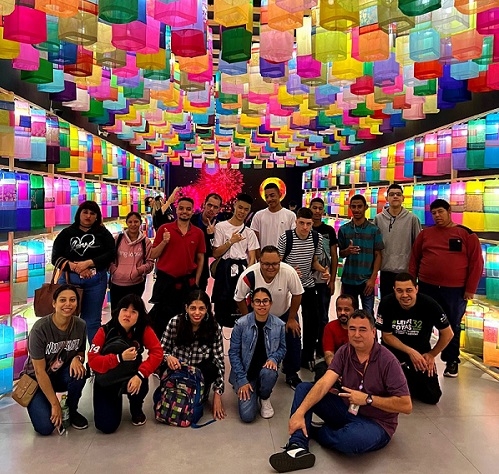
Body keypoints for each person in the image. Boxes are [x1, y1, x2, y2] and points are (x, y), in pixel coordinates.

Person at [269, 310, 412, 473]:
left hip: (376, 423)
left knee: (351, 441)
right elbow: (324, 382)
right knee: (304, 389)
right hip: (346, 408)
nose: (356, 334)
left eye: (362, 329)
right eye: (352, 329)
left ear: (373, 332)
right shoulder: (345, 351)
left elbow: (406, 405)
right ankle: (297, 446)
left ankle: (316, 431)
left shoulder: (388, 361)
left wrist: (368, 399)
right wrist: (299, 413)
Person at [409, 198, 483, 378]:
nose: (437, 216)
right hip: (427, 287)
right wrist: (411, 283)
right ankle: (421, 357)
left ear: (449, 212)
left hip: (455, 290)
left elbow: (476, 263)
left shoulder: (466, 234)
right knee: (423, 322)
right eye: (434, 213)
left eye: (440, 212)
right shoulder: (425, 234)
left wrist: (470, 289)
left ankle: (451, 361)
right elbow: (414, 258)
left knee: (452, 325)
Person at [88, 294, 163, 432]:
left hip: (131, 376)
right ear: (118, 311)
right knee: (106, 427)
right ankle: (113, 401)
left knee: (141, 383)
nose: (128, 314)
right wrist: (119, 358)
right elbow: (92, 360)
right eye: (124, 309)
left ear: (139, 316)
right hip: (107, 378)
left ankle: (136, 408)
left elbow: (157, 352)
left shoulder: (144, 330)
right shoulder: (104, 330)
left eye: (133, 311)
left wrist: (141, 374)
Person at [376, 273, 453, 404]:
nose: (405, 295)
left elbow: (448, 333)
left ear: (416, 289)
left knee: (432, 396)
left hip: (421, 355)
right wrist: (410, 352)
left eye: (409, 290)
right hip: (393, 353)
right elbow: (387, 336)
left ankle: (409, 382)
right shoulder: (386, 303)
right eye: (399, 291)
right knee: (385, 392)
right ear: (394, 290)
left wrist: (431, 354)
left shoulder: (429, 304)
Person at [234, 245, 304, 389]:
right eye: (266, 264)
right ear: (260, 261)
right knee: (251, 340)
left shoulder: (289, 272)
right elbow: (239, 298)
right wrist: (247, 319)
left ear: (280, 261)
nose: (270, 267)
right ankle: (249, 371)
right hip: (258, 315)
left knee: (294, 335)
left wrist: (291, 318)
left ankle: (291, 373)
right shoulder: (249, 275)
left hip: (283, 313)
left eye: (274, 264)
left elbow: (297, 294)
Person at [22, 284, 88, 435]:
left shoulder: (80, 325)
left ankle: (72, 410)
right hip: (37, 379)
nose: (68, 304)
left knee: (80, 373)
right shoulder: (40, 329)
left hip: (61, 374)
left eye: (72, 300)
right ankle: (46, 401)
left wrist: (77, 358)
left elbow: (81, 351)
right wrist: (55, 404)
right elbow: (39, 372)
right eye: (62, 300)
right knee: (45, 428)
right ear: (54, 303)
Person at [52, 200, 115, 343]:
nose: (88, 216)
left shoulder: (103, 233)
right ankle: (68, 354)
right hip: (69, 281)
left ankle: (94, 354)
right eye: (85, 212)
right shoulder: (67, 233)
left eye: (92, 213)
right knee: (66, 319)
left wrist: (89, 263)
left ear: (97, 216)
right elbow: (55, 258)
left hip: (96, 282)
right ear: (79, 213)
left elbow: (111, 254)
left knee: (92, 321)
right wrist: (75, 267)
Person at [160, 290, 226, 420]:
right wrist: (168, 357)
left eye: (201, 308)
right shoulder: (174, 323)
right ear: (186, 308)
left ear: (207, 309)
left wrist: (218, 394)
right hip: (177, 371)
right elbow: (160, 350)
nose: (197, 313)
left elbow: (219, 361)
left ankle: (201, 392)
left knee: (211, 367)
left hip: (200, 374)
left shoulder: (214, 327)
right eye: (193, 308)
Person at [278, 207, 330, 375]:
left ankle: (306, 356)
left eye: (308, 224)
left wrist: (323, 270)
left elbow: (314, 262)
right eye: (302, 223)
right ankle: (287, 357)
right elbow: (278, 263)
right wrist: (290, 271)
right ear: (296, 221)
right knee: (289, 322)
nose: (305, 227)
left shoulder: (317, 238)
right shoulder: (286, 237)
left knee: (312, 322)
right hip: (288, 287)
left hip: (307, 284)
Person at [149, 196, 206, 339]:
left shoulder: (198, 233)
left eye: (188, 209)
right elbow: (153, 254)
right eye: (181, 208)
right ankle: (161, 348)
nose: (184, 212)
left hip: (186, 283)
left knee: (185, 319)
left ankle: (181, 346)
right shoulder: (164, 229)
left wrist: (197, 281)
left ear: (192, 211)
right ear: (176, 210)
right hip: (165, 282)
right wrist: (164, 242)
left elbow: (200, 258)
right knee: (161, 319)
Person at [228, 288, 286, 422]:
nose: (262, 305)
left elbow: (283, 349)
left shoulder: (279, 325)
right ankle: (247, 387)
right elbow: (233, 353)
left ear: (270, 303)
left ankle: (264, 396)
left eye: (265, 301)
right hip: (246, 373)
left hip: (265, 371)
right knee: (247, 416)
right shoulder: (240, 324)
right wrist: (242, 379)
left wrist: (274, 358)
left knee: (270, 372)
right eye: (258, 301)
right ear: (252, 304)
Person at [212, 193, 259, 327]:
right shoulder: (221, 227)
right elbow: (215, 253)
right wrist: (231, 241)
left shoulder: (249, 232)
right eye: (240, 207)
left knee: (241, 307)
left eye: (246, 209)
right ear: (235, 205)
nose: (242, 212)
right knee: (222, 307)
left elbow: (252, 257)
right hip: (224, 271)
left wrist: (247, 275)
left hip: (242, 271)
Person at [338, 194, 384, 315]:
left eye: (359, 206)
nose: (356, 209)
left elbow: (378, 255)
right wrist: (347, 251)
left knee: (368, 315)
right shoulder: (344, 229)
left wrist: (372, 279)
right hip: (348, 280)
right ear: (350, 208)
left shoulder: (374, 230)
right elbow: (341, 254)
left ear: (366, 207)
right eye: (354, 206)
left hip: (366, 281)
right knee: (349, 314)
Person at [374, 184, 421, 299]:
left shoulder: (412, 219)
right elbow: (374, 246)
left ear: (403, 198)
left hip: (405, 272)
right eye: (392, 194)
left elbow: (418, 247)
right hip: (385, 270)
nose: (395, 196)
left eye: (398, 194)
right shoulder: (378, 219)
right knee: (387, 301)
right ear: (387, 198)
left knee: (405, 302)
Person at [309, 197, 339, 356]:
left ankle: (322, 348)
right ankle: (309, 348)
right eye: (314, 208)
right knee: (309, 316)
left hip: (324, 280)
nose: (317, 211)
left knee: (323, 316)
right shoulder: (305, 228)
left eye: (320, 208)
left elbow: (334, 256)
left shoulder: (329, 231)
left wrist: (332, 280)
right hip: (307, 280)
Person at [108, 211, 154, 311]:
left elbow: (150, 262)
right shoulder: (117, 239)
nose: (133, 224)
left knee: (133, 311)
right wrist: (115, 270)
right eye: (130, 222)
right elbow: (108, 258)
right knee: (116, 312)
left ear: (140, 222)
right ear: (126, 223)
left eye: (136, 222)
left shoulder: (146, 242)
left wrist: (138, 271)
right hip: (116, 284)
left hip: (136, 284)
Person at [313, 294, 357, 381]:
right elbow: (329, 354)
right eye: (339, 309)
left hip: (356, 366)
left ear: (355, 311)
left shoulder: (361, 328)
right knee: (320, 370)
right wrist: (336, 371)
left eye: (346, 310)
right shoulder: (330, 327)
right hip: (336, 365)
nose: (342, 313)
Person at [251, 182, 296, 252]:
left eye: (272, 196)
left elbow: (294, 239)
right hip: (264, 256)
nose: (269, 199)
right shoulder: (258, 215)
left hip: (284, 257)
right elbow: (254, 240)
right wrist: (259, 256)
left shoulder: (290, 215)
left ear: (280, 195)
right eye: (266, 197)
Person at [191, 193, 223, 291]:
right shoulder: (191, 220)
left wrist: (210, 236)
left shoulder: (219, 227)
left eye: (215, 207)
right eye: (209, 205)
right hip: (185, 266)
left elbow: (212, 253)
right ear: (204, 204)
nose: (211, 209)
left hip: (202, 271)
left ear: (219, 209)